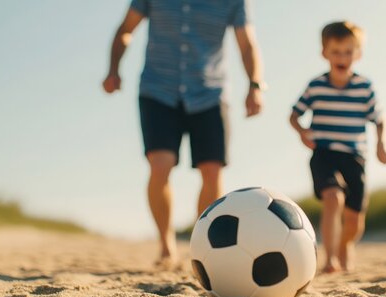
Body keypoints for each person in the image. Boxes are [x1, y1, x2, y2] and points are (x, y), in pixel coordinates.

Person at [103, 0, 265, 266]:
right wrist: (113, 69)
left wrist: (255, 84)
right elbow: (125, 29)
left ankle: (202, 247)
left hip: (210, 93)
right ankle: (166, 245)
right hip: (157, 90)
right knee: (160, 166)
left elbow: (247, 44)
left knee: (212, 170)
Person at [289, 21, 386, 273]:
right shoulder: (316, 86)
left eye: (348, 51)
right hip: (323, 153)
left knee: (355, 223)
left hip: (355, 156)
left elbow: (379, 119)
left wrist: (381, 144)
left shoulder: (364, 87)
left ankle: (345, 245)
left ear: (358, 54)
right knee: (333, 198)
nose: (342, 57)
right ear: (325, 53)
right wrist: (302, 132)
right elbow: (294, 114)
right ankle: (330, 258)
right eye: (336, 51)